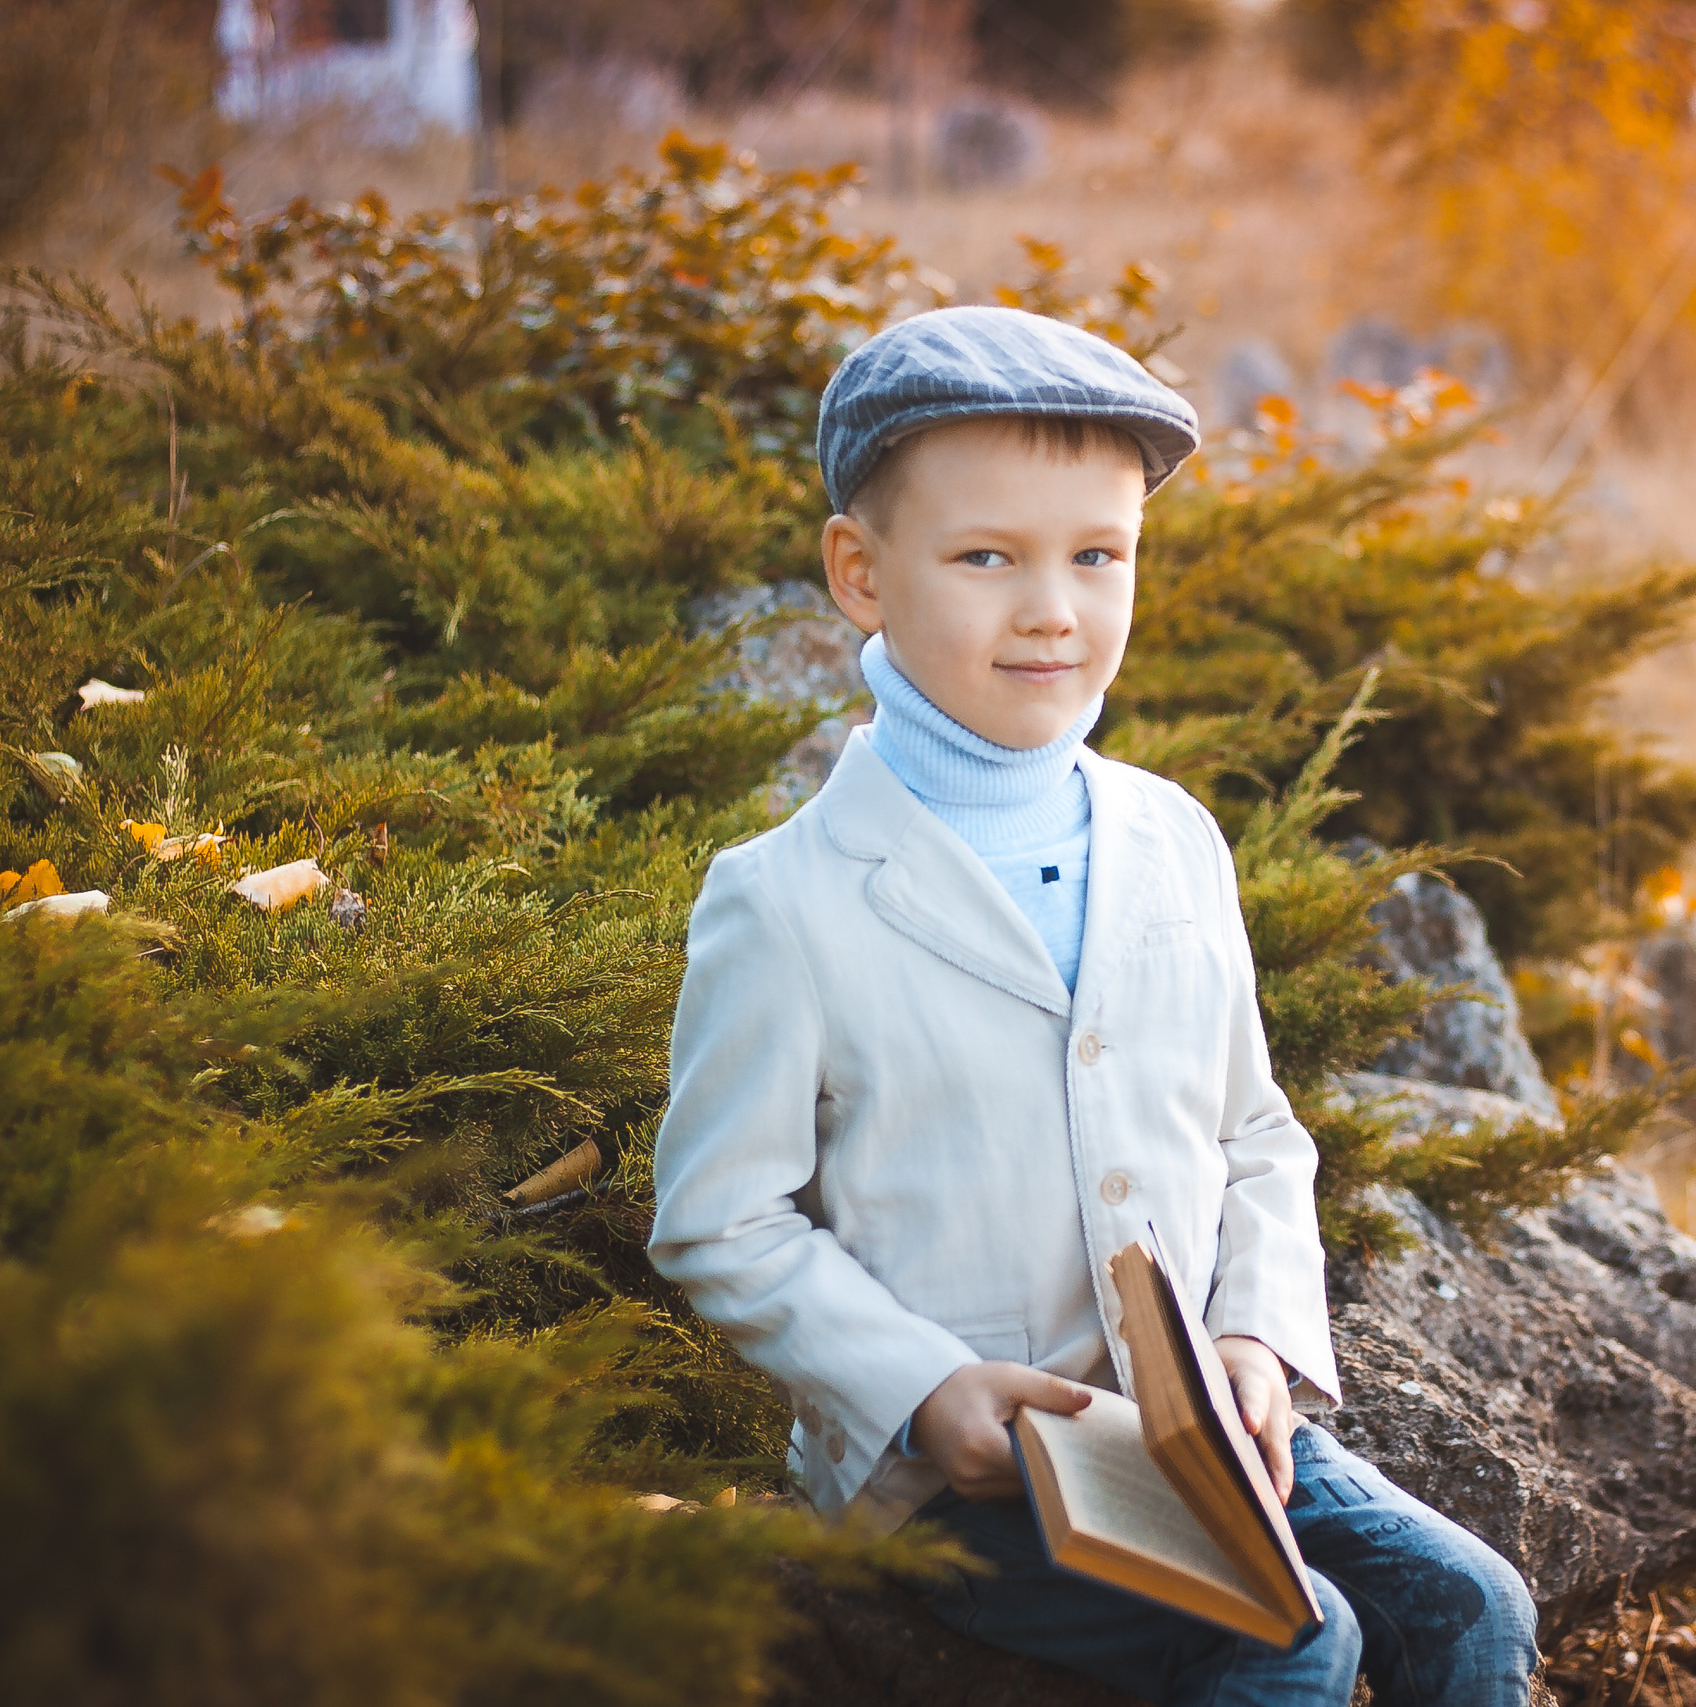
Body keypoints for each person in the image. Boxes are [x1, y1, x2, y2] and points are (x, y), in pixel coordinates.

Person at [647, 305, 1538, 1705]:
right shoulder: (787, 899)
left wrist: (1253, 1339)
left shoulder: (1173, 837)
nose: (1052, 608)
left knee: (1473, 1606)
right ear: (861, 573)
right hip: (973, 1472)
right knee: (1295, 1637)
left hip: (1196, 1433)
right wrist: (922, 1389)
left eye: (1096, 556)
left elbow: (1256, 1135)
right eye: (987, 557)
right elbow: (721, 1220)